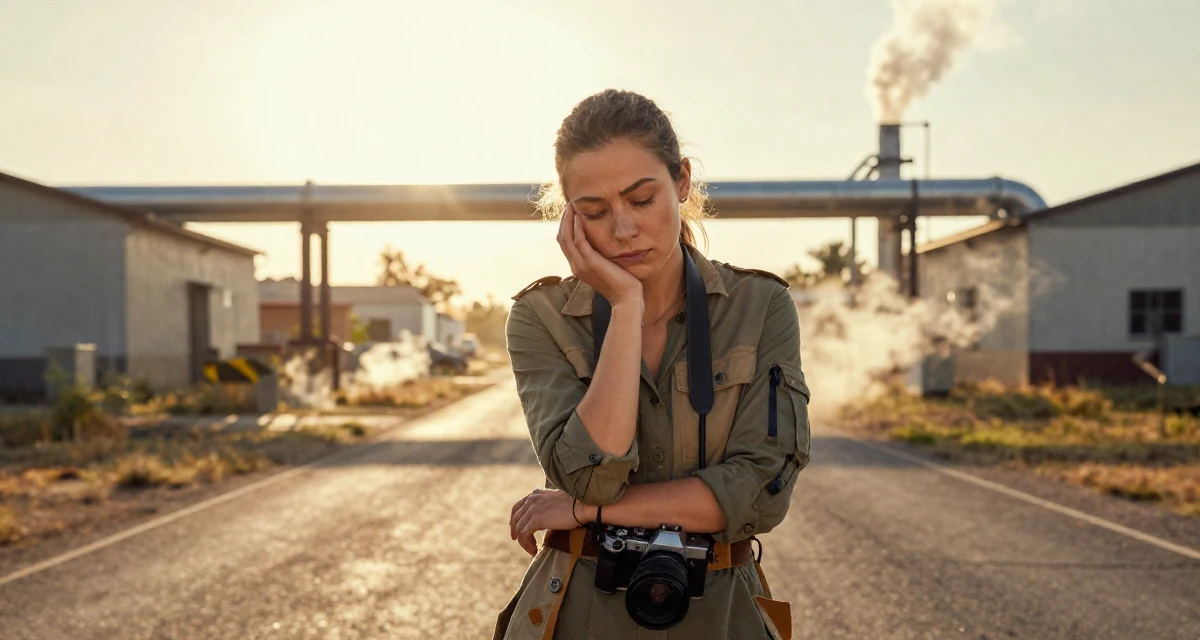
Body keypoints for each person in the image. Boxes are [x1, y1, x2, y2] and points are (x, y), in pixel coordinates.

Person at [494, 89, 811, 640]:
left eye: (641, 200)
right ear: (568, 215)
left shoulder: (760, 307)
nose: (621, 230)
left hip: (721, 616)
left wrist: (584, 513)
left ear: (682, 181)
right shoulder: (540, 317)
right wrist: (624, 307)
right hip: (577, 617)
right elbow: (589, 475)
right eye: (594, 211)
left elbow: (758, 495)